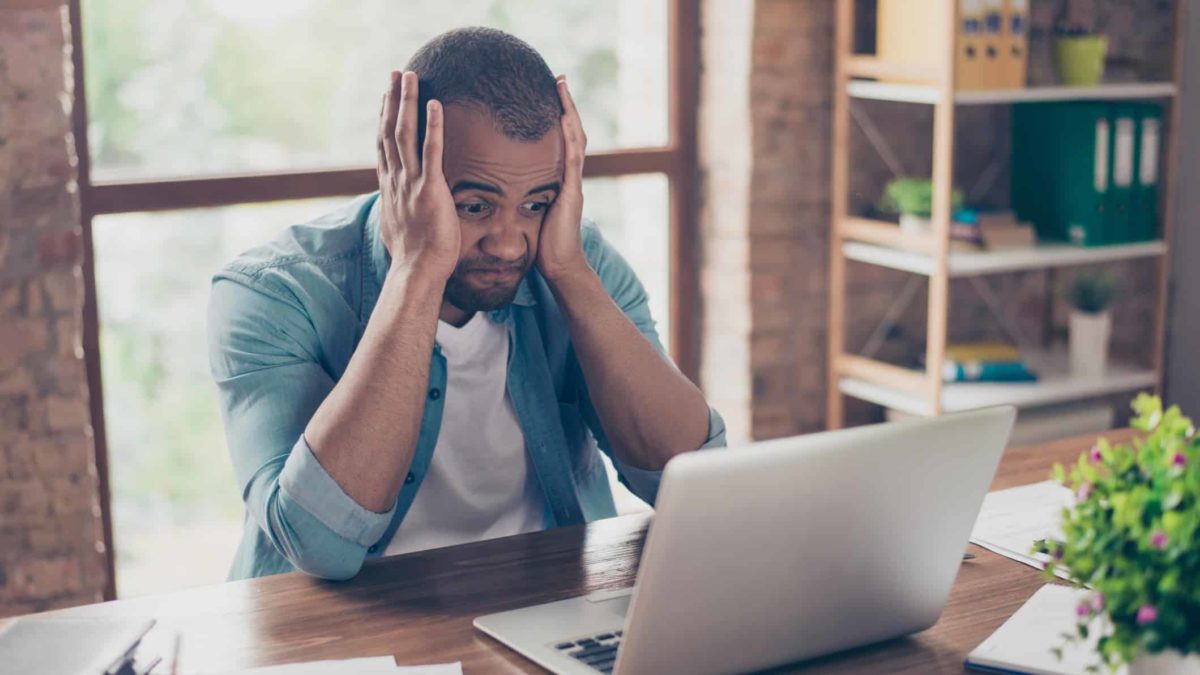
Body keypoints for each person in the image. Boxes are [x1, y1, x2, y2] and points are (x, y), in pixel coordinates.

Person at [207, 27, 725, 581]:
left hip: (542, 609)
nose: (508, 242)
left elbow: (692, 483)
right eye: (474, 205)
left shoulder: (575, 259)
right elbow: (320, 548)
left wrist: (571, 275)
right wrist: (416, 272)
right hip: (347, 636)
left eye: (535, 203)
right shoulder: (271, 293)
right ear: (398, 168)